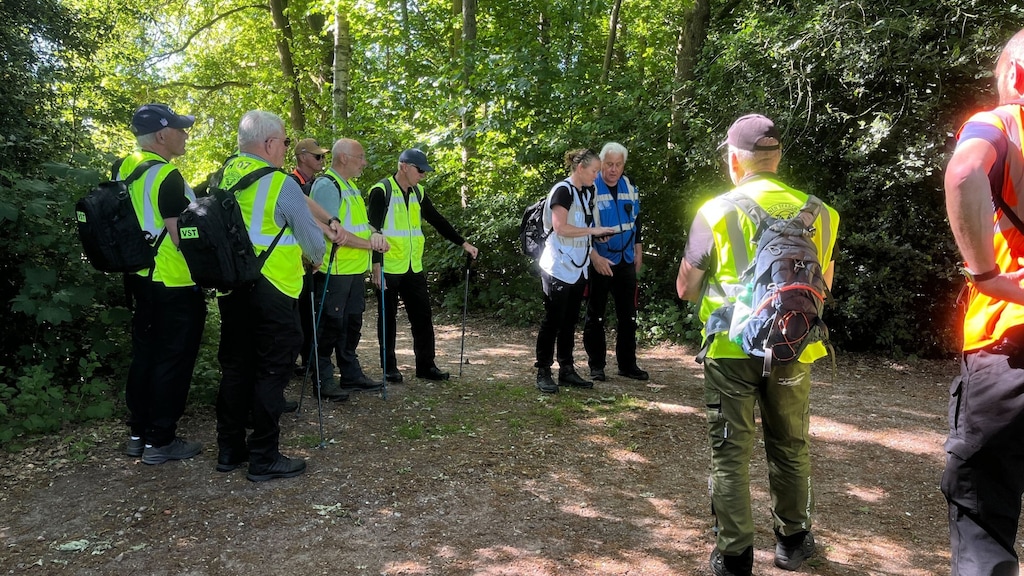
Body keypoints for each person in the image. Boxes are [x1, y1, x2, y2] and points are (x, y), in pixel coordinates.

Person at [676, 114, 839, 576]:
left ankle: (734, 557)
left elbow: (686, 288)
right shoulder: (823, 213)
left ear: (735, 161)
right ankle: (793, 542)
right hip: (794, 347)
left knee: (730, 453)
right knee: (791, 445)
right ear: (777, 157)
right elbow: (824, 285)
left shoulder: (715, 211)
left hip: (730, 350)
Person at [215, 110, 337, 482]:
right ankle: (264, 456)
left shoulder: (223, 175)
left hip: (232, 286)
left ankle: (229, 449)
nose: (286, 148)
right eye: (284, 142)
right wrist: (314, 258)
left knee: (236, 368)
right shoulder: (279, 184)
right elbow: (314, 243)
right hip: (274, 289)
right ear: (269, 143)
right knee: (271, 371)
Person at [942, 28, 1024, 576]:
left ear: (1014, 73)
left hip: (1010, 342)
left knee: (984, 517)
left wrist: (986, 273)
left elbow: (966, 169)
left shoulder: (1001, 123)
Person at [117, 103, 208, 465]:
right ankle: (161, 440)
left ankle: (138, 435)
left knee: (145, 357)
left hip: (139, 278)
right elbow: (179, 235)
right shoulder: (167, 176)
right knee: (173, 360)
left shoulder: (125, 167)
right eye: (180, 129)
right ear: (161, 135)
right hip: (173, 282)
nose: (185, 135)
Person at [366, 148, 478, 382]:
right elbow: (373, 231)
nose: (423, 175)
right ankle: (389, 368)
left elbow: (437, 219)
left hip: (412, 266)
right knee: (388, 319)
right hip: (388, 267)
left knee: (423, 317)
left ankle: (426, 366)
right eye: (420, 170)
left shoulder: (419, 192)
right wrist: (375, 266)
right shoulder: (381, 191)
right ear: (404, 167)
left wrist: (463, 243)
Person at [309, 138, 389, 399]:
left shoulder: (351, 187)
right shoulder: (327, 186)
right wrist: (370, 244)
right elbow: (333, 232)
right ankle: (323, 379)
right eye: (360, 157)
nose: (364, 162)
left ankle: (351, 374)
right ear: (343, 158)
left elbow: (360, 225)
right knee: (329, 326)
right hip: (334, 270)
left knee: (352, 323)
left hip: (353, 270)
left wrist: (375, 234)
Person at [534, 149, 617, 394]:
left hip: (579, 267)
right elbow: (561, 228)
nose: (597, 175)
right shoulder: (562, 191)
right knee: (553, 320)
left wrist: (597, 238)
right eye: (594, 171)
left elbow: (583, 227)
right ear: (580, 168)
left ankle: (566, 369)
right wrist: (593, 231)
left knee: (570, 321)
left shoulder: (588, 192)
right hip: (557, 266)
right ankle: (543, 371)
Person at [583, 142, 648, 382]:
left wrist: (639, 250)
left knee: (629, 316)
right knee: (596, 316)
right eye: (609, 164)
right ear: (601, 164)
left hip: (626, 259)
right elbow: (579, 227)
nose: (613, 169)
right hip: (600, 260)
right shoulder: (590, 188)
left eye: (618, 165)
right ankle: (596, 366)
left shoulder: (629, 186)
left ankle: (628, 365)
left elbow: (636, 221)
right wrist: (594, 255)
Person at [289, 138, 329, 377]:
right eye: (318, 156)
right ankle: (298, 360)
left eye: (323, 156)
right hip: (297, 260)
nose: (322, 160)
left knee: (312, 313)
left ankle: (310, 359)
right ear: (302, 157)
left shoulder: (318, 184)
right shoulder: (291, 184)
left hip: (315, 259)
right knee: (300, 313)